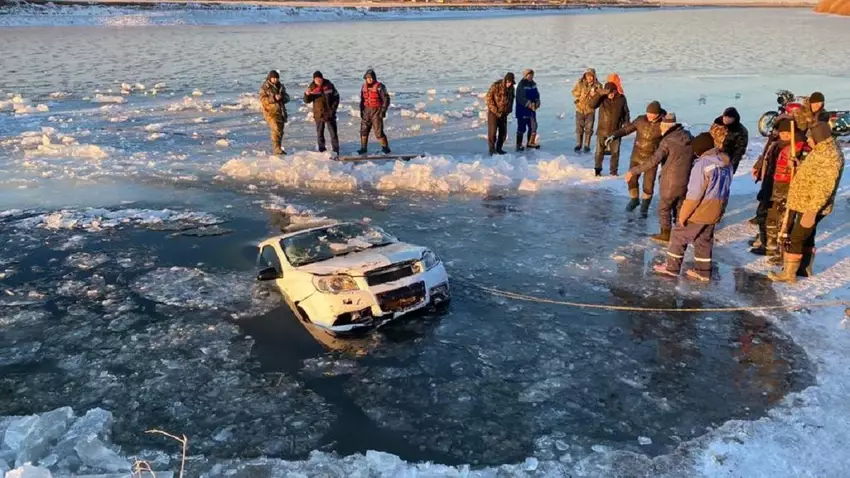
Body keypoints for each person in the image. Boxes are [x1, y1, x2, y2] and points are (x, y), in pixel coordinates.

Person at [769, 122, 844, 282]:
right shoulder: (822, 150)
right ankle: (804, 268)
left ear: (819, 138)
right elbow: (814, 171)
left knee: (797, 237)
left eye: (811, 138)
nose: (808, 141)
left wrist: (812, 211)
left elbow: (825, 187)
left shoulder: (831, 157)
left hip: (811, 204)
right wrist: (799, 165)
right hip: (805, 200)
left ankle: (789, 274)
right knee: (807, 235)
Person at [654, 133, 732, 282]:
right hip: (717, 208)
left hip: (702, 209)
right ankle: (703, 272)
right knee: (704, 240)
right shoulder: (725, 163)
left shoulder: (702, 165)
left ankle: (672, 268)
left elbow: (694, 195)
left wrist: (682, 216)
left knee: (678, 235)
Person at [625, 112, 694, 243]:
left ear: (667, 126)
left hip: (670, 180)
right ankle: (680, 231)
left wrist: (633, 171)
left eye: (662, 126)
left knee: (664, 208)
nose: (660, 128)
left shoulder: (667, 141)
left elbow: (653, 161)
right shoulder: (688, 136)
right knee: (679, 206)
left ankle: (665, 234)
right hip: (685, 179)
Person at [750, 119, 808, 258]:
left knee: (781, 219)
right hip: (770, 183)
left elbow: (807, 169)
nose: (785, 135)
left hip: (786, 187)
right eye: (782, 133)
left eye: (788, 133)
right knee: (766, 215)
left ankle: (779, 249)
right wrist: (758, 167)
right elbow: (766, 158)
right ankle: (767, 244)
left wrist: (796, 164)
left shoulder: (800, 148)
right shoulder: (775, 145)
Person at [606, 100, 666, 216]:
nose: (649, 116)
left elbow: (668, 141)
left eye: (652, 114)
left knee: (648, 185)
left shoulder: (662, 124)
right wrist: (614, 135)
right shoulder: (640, 120)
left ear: (658, 114)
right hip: (637, 156)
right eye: (648, 113)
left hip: (651, 159)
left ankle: (644, 208)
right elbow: (626, 129)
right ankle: (634, 200)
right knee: (631, 180)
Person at [590, 82, 630, 176]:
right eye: (609, 92)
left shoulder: (621, 99)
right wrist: (599, 93)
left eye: (613, 92)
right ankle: (597, 170)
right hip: (602, 130)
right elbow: (591, 105)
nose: (611, 94)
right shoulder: (602, 98)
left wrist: (627, 123)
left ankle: (613, 172)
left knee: (615, 152)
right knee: (599, 152)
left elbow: (626, 112)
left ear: (616, 91)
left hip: (616, 130)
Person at [304, 71, 340, 155]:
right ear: (314, 79)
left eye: (319, 78)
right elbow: (306, 100)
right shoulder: (312, 88)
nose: (318, 80)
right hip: (319, 114)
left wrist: (333, 109)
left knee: (333, 134)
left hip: (330, 113)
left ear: (322, 78)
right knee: (320, 134)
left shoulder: (329, 85)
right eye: (316, 79)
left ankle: (336, 151)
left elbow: (336, 97)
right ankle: (322, 151)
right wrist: (307, 94)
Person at [358, 69, 391, 155]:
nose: (370, 79)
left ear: (374, 78)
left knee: (378, 133)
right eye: (368, 78)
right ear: (365, 78)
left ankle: (385, 149)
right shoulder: (363, 87)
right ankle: (363, 148)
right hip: (366, 111)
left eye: (371, 77)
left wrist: (383, 110)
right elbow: (362, 100)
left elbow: (386, 99)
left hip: (376, 111)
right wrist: (361, 110)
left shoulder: (380, 87)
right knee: (363, 130)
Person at [709, 107, 749, 173]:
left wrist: (731, 164)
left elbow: (740, 150)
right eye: (725, 117)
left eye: (729, 118)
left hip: (728, 161)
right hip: (713, 158)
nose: (726, 119)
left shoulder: (741, 131)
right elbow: (710, 137)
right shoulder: (717, 125)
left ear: (734, 119)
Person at [259, 70, 290, 155]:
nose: (275, 80)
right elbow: (263, 100)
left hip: (281, 111)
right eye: (273, 78)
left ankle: (279, 147)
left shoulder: (281, 86)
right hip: (270, 112)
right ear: (270, 78)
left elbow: (287, 98)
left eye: (277, 78)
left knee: (280, 130)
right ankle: (277, 149)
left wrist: (282, 97)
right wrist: (274, 98)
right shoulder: (265, 87)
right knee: (276, 129)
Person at [572, 68, 602, 153]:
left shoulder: (598, 85)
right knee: (579, 127)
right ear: (585, 76)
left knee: (589, 128)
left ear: (594, 76)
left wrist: (594, 95)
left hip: (590, 110)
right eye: (588, 75)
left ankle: (586, 145)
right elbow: (574, 92)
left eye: (591, 76)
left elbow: (600, 97)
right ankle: (578, 144)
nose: (590, 78)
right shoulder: (580, 83)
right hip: (580, 109)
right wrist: (580, 94)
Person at [485, 72, 515, 156]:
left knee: (503, 133)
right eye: (508, 82)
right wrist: (496, 111)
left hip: (503, 113)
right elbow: (488, 99)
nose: (509, 84)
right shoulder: (496, 86)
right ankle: (492, 149)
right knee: (493, 132)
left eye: (511, 82)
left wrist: (508, 110)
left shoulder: (512, 88)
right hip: (493, 113)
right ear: (505, 80)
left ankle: (499, 149)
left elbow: (511, 99)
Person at [515, 69, 540, 152]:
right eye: (529, 75)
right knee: (521, 127)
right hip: (522, 110)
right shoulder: (521, 85)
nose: (531, 77)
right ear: (525, 76)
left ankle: (530, 143)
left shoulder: (533, 84)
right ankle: (519, 145)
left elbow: (537, 94)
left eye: (532, 75)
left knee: (533, 126)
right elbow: (520, 98)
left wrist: (537, 101)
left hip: (532, 111)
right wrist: (529, 104)